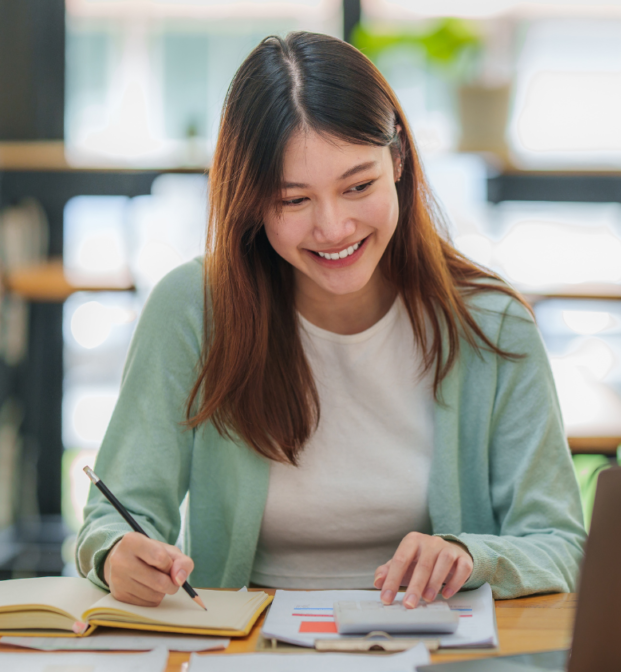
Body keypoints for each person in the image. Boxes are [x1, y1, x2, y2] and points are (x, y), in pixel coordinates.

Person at [76, 31, 586, 610]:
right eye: (294, 200)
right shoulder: (193, 310)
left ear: (398, 161)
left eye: (358, 186)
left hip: (439, 649)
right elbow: (113, 517)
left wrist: (472, 557)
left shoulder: (492, 325)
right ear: (251, 200)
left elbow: (560, 543)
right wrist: (116, 553)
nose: (334, 228)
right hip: (251, 650)